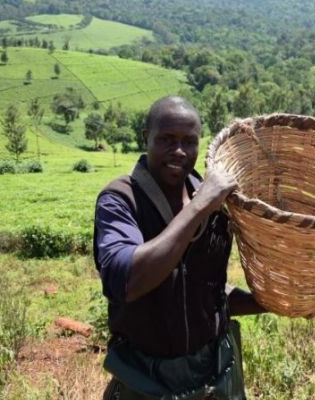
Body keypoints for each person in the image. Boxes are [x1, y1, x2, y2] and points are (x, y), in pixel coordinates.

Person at [94, 96, 267, 399]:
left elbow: (206, 293)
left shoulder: (213, 203)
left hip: (214, 370)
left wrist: (271, 303)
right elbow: (127, 280)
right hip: (146, 376)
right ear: (145, 138)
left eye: (189, 141)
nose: (179, 151)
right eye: (166, 140)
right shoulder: (121, 200)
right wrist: (199, 206)